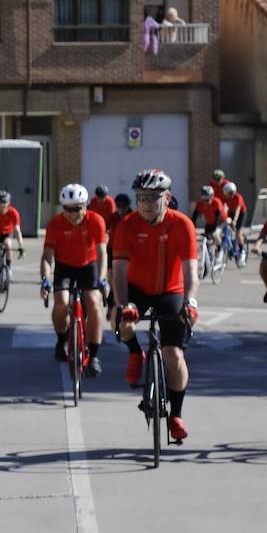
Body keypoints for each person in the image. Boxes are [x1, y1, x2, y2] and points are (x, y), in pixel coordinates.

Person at [112, 169, 198, 441]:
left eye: (153, 197)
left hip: (171, 290)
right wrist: (124, 304)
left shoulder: (182, 224)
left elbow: (190, 272)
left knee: (174, 356)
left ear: (166, 197)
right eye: (141, 197)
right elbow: (119, 274)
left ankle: (176, 415)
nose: (147, 203)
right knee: (122, 320)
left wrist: (191, 302)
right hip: (137, 289)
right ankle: (136, 353)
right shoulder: (127, 225)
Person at [39, 184, 108, 377]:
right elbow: (47, 256)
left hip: (89, 266)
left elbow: (102, 253)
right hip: (65, 267)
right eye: (67, 209)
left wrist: (102, 279)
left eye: (77, 208)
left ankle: (94, 355)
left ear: (86, 205)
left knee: (94, 302)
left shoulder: (96, 221)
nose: (72, 213)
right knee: (61, 301)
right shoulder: (55, 224)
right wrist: (45, 280)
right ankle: (62, 339)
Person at [0, 190, 24, 303]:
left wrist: (21, 245)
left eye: (5, 203)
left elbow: (17, 230)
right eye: (0, 203)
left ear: (9, 203)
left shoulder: (13, 212)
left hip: (7, 234)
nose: (3, 205)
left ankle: (8, 267)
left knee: (8, 244)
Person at [190, 185, 228, 253]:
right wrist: (192, 230)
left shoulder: (216, 202)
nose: (205, 202)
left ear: (212, 197)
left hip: (221, 221)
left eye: (207, 200)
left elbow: (217, 219)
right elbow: (193, 218)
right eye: (204, 200)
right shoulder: (200, 203)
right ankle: (208, 256)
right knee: (206, 239)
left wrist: (213, 231)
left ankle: (220, 249)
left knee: (214, 234)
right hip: (210, 222)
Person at [222, 181, 248, 255]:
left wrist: (234, 220)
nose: (230, 195)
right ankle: (231, 244)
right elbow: (224, 208)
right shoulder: (225, 198)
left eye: (231, 193)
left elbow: (238, 209)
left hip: (241, 213)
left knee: (238, 232)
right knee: (226, 228)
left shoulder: (238, 197)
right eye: (228, 193)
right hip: (231, 212)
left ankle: (242, 250)